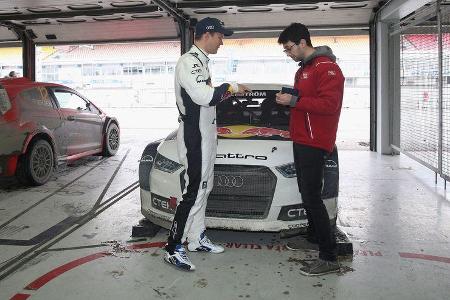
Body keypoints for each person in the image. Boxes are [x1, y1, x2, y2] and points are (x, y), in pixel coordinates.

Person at [164, 17, 250, 271]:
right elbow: (205, 96)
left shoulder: (201, 62)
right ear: (207, 34)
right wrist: (231, 87)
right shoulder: (188, 62)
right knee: (193, 192)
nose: (222, 41)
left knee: (204, 187)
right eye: (221, 36)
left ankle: (196, 238)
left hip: (206, 137)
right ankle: (172, 247)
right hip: (195, 138)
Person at [275, 23, 345, 276]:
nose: (288, 53)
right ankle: (314, 237)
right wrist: (290, 98)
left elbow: (329, 104)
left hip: (315, 142)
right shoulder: (304, 69)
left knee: (313, 197)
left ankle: (329, 257)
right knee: (307, 193)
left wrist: (294, 100)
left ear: (302, 42)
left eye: (289, 48)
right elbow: (305, 100)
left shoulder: (327, 68)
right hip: (303, 138)